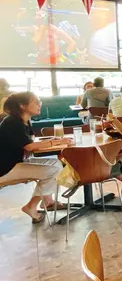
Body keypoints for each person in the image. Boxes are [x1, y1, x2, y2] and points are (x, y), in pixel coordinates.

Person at [0, 92, 72, 223]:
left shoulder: (24, 121)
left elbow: (29, 142)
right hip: (5, 168)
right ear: (22, 105)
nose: (40, 105)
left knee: (56, 164)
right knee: (53, 171)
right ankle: (30, 207)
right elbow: (29, 146)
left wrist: (53, 141)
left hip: (17, 162)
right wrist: (55, 142)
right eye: (36, 102)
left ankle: (48, 201)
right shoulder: (12, 122)